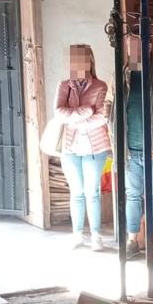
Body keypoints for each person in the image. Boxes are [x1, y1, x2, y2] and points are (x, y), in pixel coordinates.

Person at [107, 35, 153, 260]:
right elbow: (109, 103)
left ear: (149, 47)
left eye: (139, 45)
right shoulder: (121, 75)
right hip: (129, 149)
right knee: (133, 196)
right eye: (131, 46)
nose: (134, 50)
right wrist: (109, 123)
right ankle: (132, 241)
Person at [54, 45, 111, 250]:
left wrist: (75, 118)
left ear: (89, 62)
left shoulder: (101, 86)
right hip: (70, 147)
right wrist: (85, 111)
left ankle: (96, 235)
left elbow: (102, 116)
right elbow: (59, 113)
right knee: (76, 192)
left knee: (92, 192)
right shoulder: (64, 85)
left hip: (95, 147)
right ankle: (77, 234)